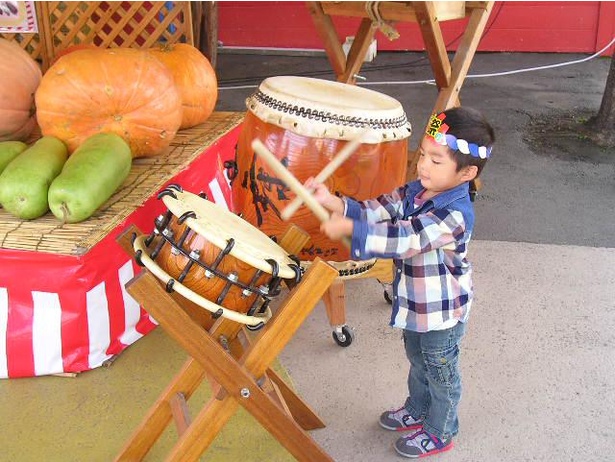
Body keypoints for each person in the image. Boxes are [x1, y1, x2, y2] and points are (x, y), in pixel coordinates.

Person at [306, 107, 495, 459]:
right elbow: (382, 208)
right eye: (423, 154)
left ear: (467, 172)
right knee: (417, 359)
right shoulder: (416, 190)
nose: (423, 165)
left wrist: (352, 231)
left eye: (436, 161)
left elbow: (405, 239)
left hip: (442, 313)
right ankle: (417, 410)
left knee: (440, 371)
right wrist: (335, 204)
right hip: (414, 305)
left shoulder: (453, 214)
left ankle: (441, 429)